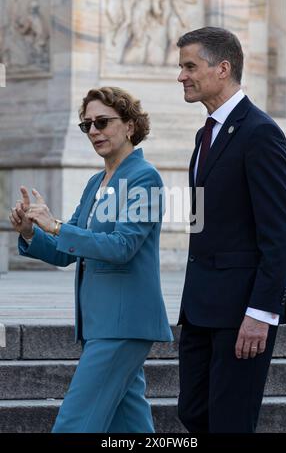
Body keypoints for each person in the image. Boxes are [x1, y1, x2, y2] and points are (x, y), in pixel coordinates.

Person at [9, 86, 173, 433]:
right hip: (103, 324)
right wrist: (30, 232)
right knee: (131, 426)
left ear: (129, 125)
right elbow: (67, 250)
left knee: (74, 424)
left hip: (123, 323)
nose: (94, 131)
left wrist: (56, 225)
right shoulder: (96, 182)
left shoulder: (144, 178)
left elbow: (122, 246)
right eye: (87, 126)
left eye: (102, 121)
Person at [176, 26, 286, 433]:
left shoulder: (260, 132)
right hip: (198, 310)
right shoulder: (203, 133)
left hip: (242, 313)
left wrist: (261, 313)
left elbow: (281, 233)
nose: (181, 77)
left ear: (222, 68)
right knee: (193, 414)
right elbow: (202, 222)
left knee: (229, 423)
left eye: (190, 66)